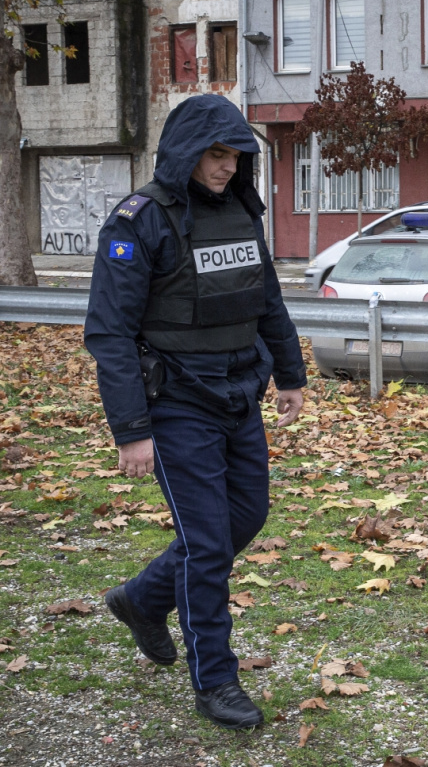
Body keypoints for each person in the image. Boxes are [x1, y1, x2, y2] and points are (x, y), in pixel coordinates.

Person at [84, 94, 306, 730]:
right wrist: (131, 429)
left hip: (240, 393)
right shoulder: (140, 220)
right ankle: (216, 680)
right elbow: (110, 333)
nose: (227, 166)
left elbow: (267, 299)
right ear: (186, 152)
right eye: (215, 153)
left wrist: (290, 374)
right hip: (177, 402)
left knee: (246, 517)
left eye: (236, 155)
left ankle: (142, 598)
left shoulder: (240, 209)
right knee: (207, 545)